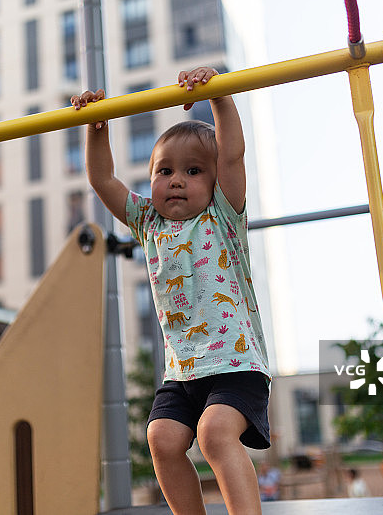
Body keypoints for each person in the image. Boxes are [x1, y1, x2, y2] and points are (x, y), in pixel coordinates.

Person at [72, 67, 271, 515]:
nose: (177, 180)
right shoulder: (149, 223)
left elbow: (234, 155)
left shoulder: (221, 214)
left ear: (215, 179)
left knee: (215, 434)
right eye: (165, 171)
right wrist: (96, 128)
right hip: (182, 372)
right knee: (161, 439)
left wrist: (217, 94)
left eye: (194, 170)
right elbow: (104, 180)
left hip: (236, 364)